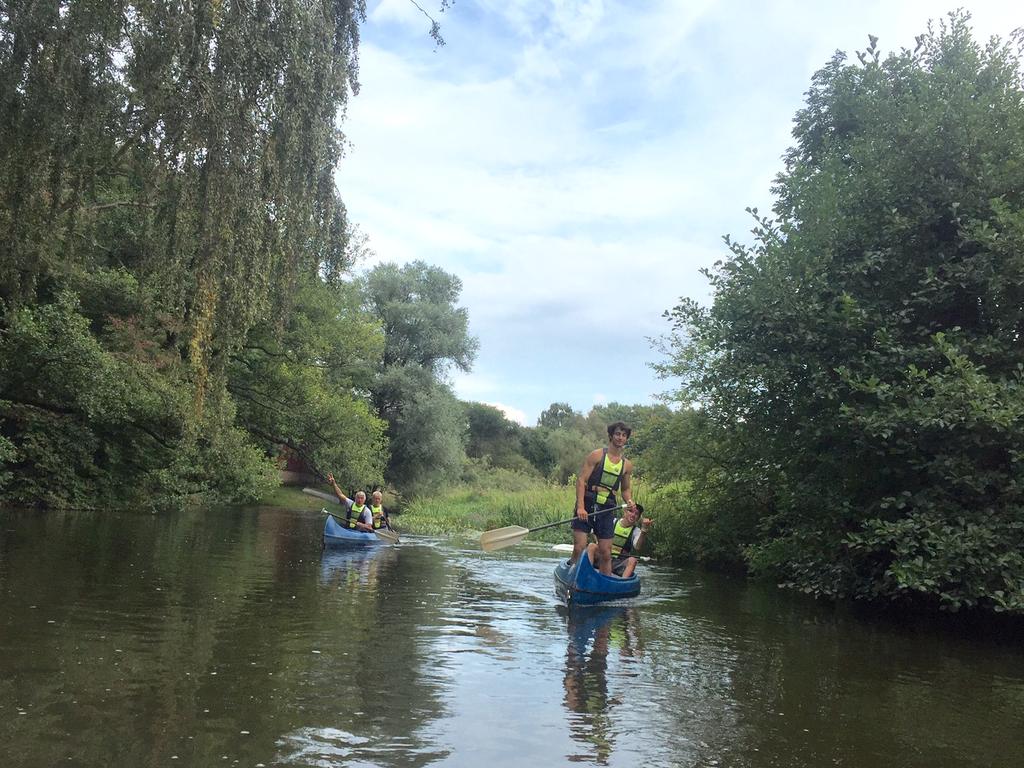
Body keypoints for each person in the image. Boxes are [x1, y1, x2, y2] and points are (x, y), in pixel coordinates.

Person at [571, 421, 637, 575]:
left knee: (606, 553)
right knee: (579, 546)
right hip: (587, 504)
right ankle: (572, 572)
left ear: (626, 439)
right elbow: (581, 481)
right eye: (617, 434)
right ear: (611, 435)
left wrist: (629, 501)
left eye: (624, 435)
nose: (620, 438)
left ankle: (605, 583)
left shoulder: (626, 465)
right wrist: (580, 507)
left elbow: (625, 489)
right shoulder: (597, 455)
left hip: (607, 508)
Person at [586, 503, 651, 578]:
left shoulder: (636, 531)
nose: (633, 515)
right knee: (592, 546)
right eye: (631, 511)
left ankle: (622, 584)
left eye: (636, 514)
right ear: (625, 512)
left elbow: (637, 547)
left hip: (618, 563)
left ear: (638, 518)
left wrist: (644, 530)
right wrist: (599, 542)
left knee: (633, 560)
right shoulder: (612, 522)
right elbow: (594, 531)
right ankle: (588, 573)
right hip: (603, 557)